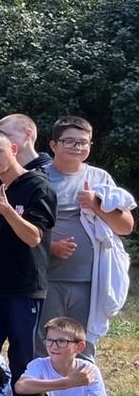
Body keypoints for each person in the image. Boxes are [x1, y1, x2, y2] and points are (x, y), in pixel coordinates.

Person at [41, 115, 135, 358]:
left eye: (83, 142)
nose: (77, 147)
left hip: (89, 279)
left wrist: (95, 204)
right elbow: (22, 227)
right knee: (45, 345)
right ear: (53, 145)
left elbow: (125, 227)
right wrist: (50, 246)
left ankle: (82, 383)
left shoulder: (100, 179)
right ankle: (43, 384)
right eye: (69, 141)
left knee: (81, 345)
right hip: (47, 278)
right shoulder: (39, 177)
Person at [0, 129, 57, 383]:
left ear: (14, 150)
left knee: (22, 359)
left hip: (24, 288)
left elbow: (34, 237)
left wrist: (8, 211)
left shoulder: (39, 186)